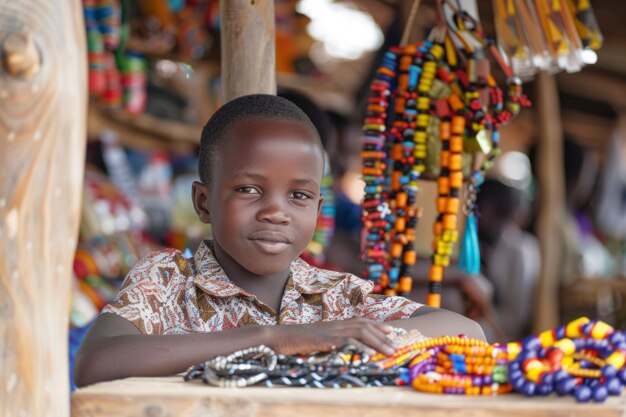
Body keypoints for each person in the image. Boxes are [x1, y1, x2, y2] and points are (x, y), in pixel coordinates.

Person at [74, 94, 485, 387]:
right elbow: (96, 362)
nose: (276, 211)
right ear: (204, 202)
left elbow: (467, 332)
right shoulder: (167, 281)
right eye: (249, 190)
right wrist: (278, 338)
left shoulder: (334, 297)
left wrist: (353, 337)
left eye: (299, 195)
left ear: (318, 208)